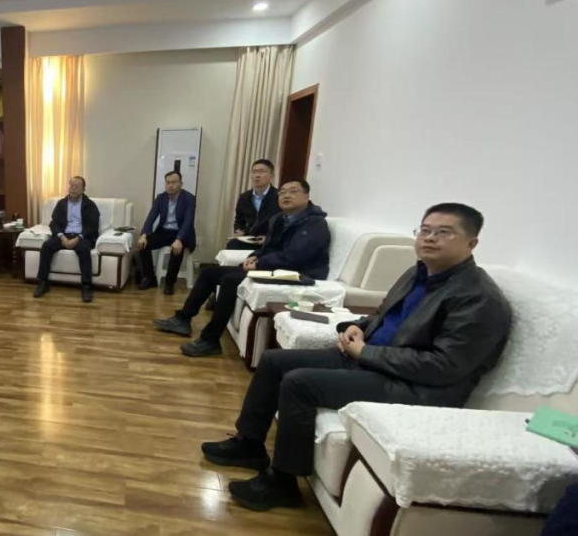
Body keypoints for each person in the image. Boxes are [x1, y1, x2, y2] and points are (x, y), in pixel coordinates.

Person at [203, 203, 511, 513]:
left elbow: (445, 367)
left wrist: (365, 352)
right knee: (273, 360)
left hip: (416, 386)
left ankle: (283, 482)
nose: (429, 238)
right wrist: (357, 327)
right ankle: (249, 444)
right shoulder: (418, 272)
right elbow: (383, 314)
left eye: (443, 233)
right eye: (425, 230)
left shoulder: (477, 297)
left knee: (299, 383)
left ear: (471, 243)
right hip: (372, 359)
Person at [154, 179, 330, 357]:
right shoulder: (279, 219)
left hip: (297, 274)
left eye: (293, 191)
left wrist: (260, 264)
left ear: (306, 196)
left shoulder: (314, 224)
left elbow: (295, 257)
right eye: (283, 192)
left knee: (230, 280)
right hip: (274, 268)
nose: (286, 196)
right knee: (209, 273)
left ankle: (210, 340)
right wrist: (255, 256)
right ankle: (183, 319)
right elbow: (268, 247)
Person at [33, 176, 100, 303]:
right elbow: (54, 223)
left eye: (77, 186)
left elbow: (93, 226)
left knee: (84, 249)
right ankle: (43, 283)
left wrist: (78, 238)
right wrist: (61, 236)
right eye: (71, 186)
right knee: (46, 246)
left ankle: (86, 286)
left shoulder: (90, 205)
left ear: (83, 189)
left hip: (81, 236)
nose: (73, 189)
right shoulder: (61, 204)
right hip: (64, 235)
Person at [136, 171, 197, 295]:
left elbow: (188, 221)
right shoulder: (161, 198)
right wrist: (143, 234)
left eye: (174, 182)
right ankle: (149, 278)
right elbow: (151, 217)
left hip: (182, 233)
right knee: (143, 245)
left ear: (181, 183)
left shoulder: (189, 198)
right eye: (168, 182)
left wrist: (179, 239)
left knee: (177, 249)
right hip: (164, 232)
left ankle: (169, 283)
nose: (171, 185)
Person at [227, 159, 280, 250]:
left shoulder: (279, 196)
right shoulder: (244, 197)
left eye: (262, 172)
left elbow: (284, 223)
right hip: (249, 238)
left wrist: (269, 238)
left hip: (270, 239)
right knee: (232, 244)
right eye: (254, 172)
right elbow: (239, 220)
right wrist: (238, 231)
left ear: (272, 176)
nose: (257, 175)